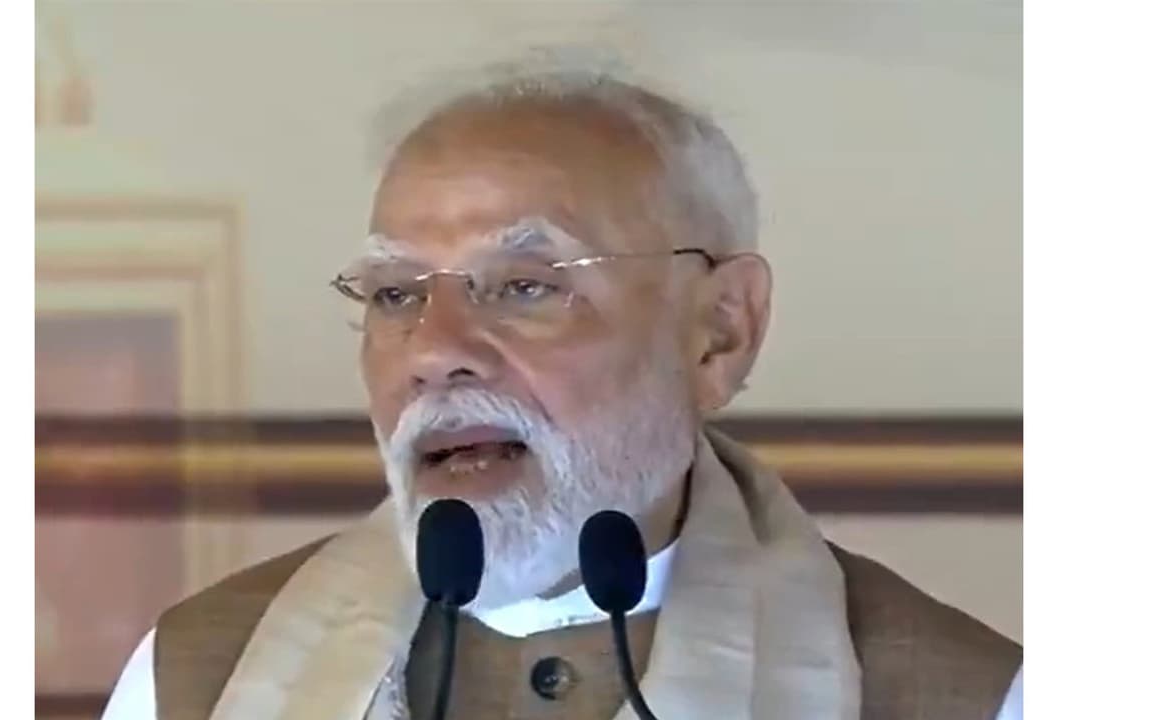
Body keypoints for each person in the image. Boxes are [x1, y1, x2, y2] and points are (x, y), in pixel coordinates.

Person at [102, 57, 1023, 720]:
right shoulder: (196, 676)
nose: (435, 351)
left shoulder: (960, 695)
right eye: (395, 295)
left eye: (527, 286)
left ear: (721, 330)